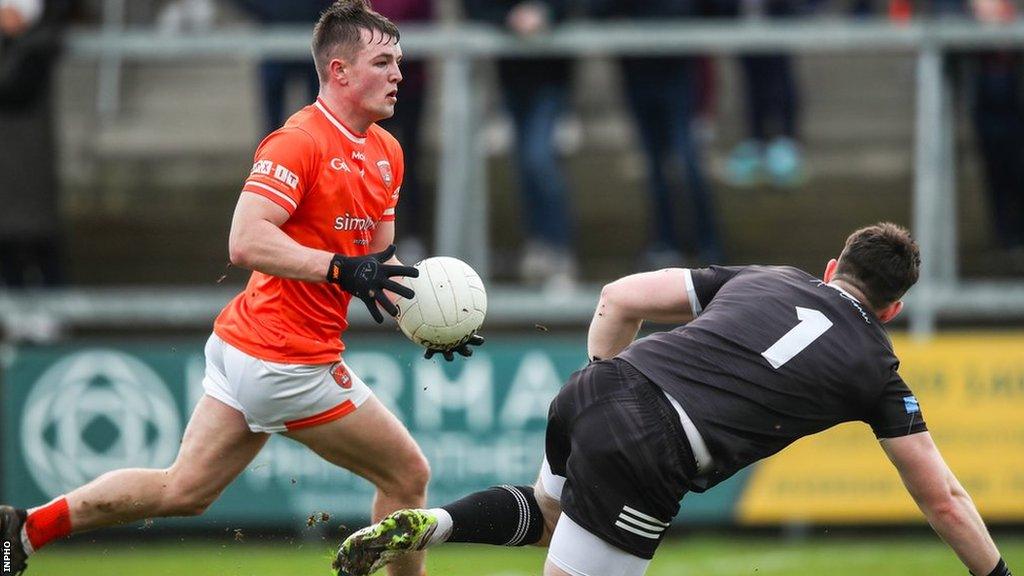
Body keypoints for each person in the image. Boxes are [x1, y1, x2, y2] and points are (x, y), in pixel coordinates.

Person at [0, 2, 480, 575]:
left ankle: (25, 528)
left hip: (250, 347)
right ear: (340, 70)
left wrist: (427, 317)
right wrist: (339, 269)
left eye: (399, 61)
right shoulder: (297, 141)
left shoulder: (387, 153)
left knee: (184, 491)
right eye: (383, 61)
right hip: (285, 361)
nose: (399, 74)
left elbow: (379, 267)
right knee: (408, 476)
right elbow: (245, 241)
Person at [333, 222, 1014, 576]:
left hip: (601, 386)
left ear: (832, 270)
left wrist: (599, 388)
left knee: (546, 515)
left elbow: (619, 297)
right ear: (892, 309)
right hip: (652, 447)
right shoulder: (877, 367)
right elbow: (943, 498)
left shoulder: (766, 277)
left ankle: (437, 526)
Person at [587, 0, 725, 269]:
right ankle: (665, 241)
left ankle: (709, 244)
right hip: (637, 70)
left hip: (678, 68)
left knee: (687, 160)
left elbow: (709, 10)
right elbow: (598, 10)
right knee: (654, 164)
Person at [463, 0, 578, 288]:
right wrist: (508, 17)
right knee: (525, 165)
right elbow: (474, 8)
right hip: (511, 77)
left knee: (538, 158)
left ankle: (559, 250)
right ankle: (540, 245)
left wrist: (547, 12)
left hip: (554, 76)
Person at [0, 0, 70, 287]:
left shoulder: (36, 48)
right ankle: (21, 315)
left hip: (26, 164)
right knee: (10, 248)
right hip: (11, 167)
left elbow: (13, 87)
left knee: (40, 244)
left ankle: (51, 316)